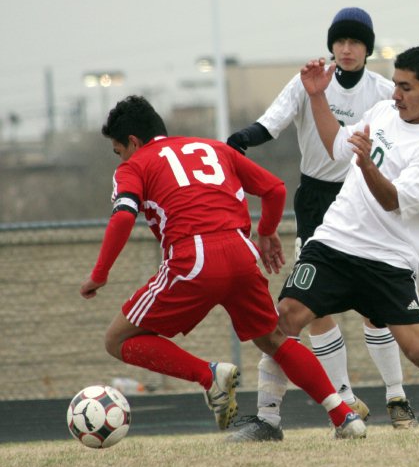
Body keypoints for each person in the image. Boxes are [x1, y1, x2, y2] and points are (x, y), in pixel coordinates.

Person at [226, 7, 419, 441]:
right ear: (331, 45)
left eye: (355, 42)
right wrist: (239, 140)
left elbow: (414, 151)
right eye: (340, 41)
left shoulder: (386, 92)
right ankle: (341, 399)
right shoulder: (309, 82)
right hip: (322, 204)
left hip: (368, 200)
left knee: (380, 318)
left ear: (368, 50)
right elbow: (272, 124)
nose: (347, 49)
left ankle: (396, 395)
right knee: (308, 313)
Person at [79, 95, 366, 440]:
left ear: (134, 142)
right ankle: (345, 417)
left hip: (193, 256)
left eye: (119, 150)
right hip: (242, 253)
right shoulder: (213, 147)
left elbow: (124, 215)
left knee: (117, 338)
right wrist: (266, 233)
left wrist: (100, 274)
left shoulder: (134, 165)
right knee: (274, 338)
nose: (120, 158)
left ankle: (208, 375)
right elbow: (274, 189)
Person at [270, 46, 419, 434]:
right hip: (335, 242)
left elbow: (393, 200)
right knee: (285, 318)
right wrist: (316, 97)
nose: (396, 94)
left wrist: (366, 164)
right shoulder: (382, 112)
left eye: (407, 87)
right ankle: (267, 418)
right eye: (395, 84)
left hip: (390, 258)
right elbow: (336, 146)